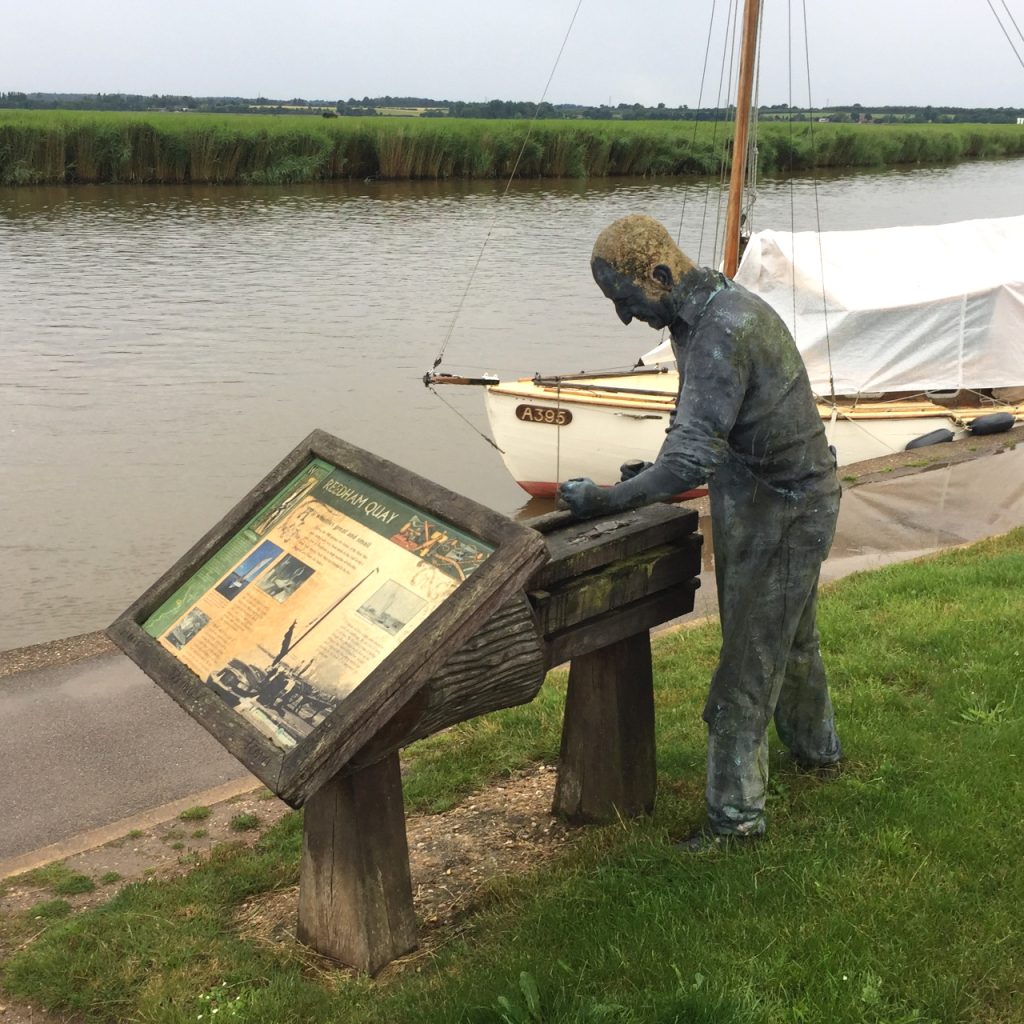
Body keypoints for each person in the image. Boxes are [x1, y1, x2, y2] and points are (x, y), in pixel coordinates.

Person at [558, 214, 842, 849]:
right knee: (792, 641)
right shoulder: (702, 318)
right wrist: (648, 475)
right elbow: (700, 436)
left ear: (660, 275)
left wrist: (606, 500)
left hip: (785, 511)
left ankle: (734, 822)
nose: (624, 318)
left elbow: (689, 462)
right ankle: (817, 752)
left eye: (625, 299)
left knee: (746, 667)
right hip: (770, 500)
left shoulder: (721, 330)